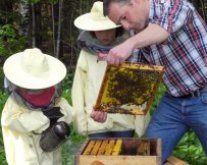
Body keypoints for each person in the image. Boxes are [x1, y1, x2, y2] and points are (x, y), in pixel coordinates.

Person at [91, 0, 207, 163]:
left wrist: (129, 44)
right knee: (145, 158)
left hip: (204, 96)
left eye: (124, 17)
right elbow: (136, 79)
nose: (126, 26)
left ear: (135, 2)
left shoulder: (175, 5)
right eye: (120, 23)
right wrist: (105, 107)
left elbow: (163, 29)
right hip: (173, 102)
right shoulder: (136, 33)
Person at [72, 1, 150, 138]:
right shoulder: (86, 54)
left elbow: (139, 87)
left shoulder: (131, 50)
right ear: (92, 30)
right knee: (99, 160)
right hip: (96, 121)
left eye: (109, 29)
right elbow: (78, 89)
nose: (105, 35)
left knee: (123, 159)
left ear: (117, 27)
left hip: (125, 119)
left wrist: (140, 122)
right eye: (100, 30)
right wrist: (81, 122)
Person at [1, 48, 73, 165]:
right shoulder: (14, 103)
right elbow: (10, 121)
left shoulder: (53, 96)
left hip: (52, 159)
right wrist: (44, 117)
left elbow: (69, 112)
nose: (37, 90)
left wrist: (60, 115)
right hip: (25, 160)